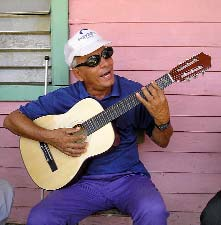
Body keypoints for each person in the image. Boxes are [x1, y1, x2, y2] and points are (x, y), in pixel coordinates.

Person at [3, 28, 173, 225]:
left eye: (107, 54)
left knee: (155, 212)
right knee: (41, 218)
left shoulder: (134, 93)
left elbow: (163, 141)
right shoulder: (66, 97)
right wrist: (52, 137)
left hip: (129, 179)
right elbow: (12, 120)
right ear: (78, 73)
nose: (105, 63)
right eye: (93, 61)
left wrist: (163, 119)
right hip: (81, 183)